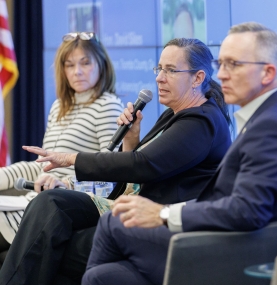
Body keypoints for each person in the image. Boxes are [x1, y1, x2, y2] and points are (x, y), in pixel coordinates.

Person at [75, 21, 277, 285]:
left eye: (233, 65)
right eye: (221, 64)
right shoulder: (272, 117)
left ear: (267, 73)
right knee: (104, 276)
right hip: (224, 242)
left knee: (113, 224)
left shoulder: (274, 126)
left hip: (238, 256)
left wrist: (163, 215)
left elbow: (247, 211)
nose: (222, 74)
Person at [0, 38, 232, 285]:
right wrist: (131, 139)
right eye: (160, 68)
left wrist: (70, 159)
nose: (160, 78)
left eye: (171, 70)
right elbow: (139, 169)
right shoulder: (174, 113)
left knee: (51, 247)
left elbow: (144, 165)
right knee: (50, 203)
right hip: (127, 207)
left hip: (158, 225)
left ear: (197, 78)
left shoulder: (202, 122)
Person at [0, 32, 124, 249]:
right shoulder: (59, 106)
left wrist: (66, 184)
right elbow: (42, 167)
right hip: (36, 199)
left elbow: (111, 176)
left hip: (65, 204)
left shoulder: (108, 106)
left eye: (85, 63)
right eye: (69, 65)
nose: (77, 72)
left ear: (101, 65)